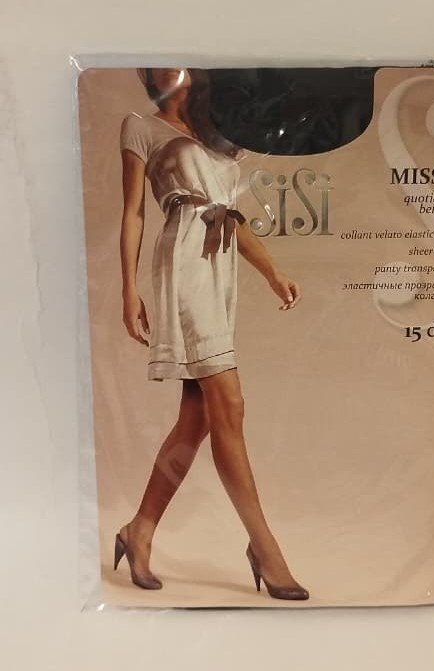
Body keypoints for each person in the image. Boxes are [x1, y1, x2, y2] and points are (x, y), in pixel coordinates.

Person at [114, 67, 308, 600]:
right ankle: (265, 548)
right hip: (183, 262)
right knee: (230, 404)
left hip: (220, 265)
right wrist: (128, 290)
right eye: (152, 65)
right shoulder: (140, 126)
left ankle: (139, 531)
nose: (163, 69)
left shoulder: (220, 134)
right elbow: (133, 213)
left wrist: (272, 272)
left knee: (198, 417)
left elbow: (230, 216)